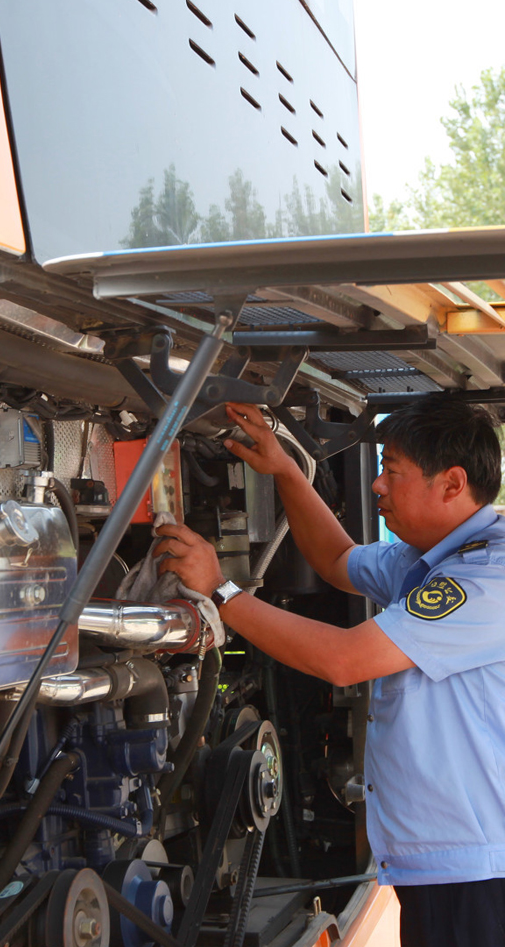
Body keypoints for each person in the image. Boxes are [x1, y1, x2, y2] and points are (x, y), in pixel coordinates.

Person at [154, 398, 505, 947]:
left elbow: (344, 659)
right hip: (447, 863)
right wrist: (287, 473)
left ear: (452, 483)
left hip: (476, 873)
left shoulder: (486, 576)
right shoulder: (429, 559)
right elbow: (336, 559)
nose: (377, 486)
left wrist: (221, 593)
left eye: (392, 471)